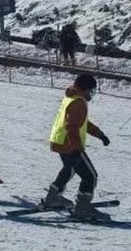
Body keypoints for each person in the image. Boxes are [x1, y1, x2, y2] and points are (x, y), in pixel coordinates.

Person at [42, 71, 111, 220]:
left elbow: (82, 123)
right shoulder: (79, 102)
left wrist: (100, 134)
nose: (92, 95)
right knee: (90, 176)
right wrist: (76, 148)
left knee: (70, 170)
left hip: (60, 141)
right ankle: (83, 208)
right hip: (69, 144)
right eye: (92, 91)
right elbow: (72, 126)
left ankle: (53, 198)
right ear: (86, 89)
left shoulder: (71, 97)